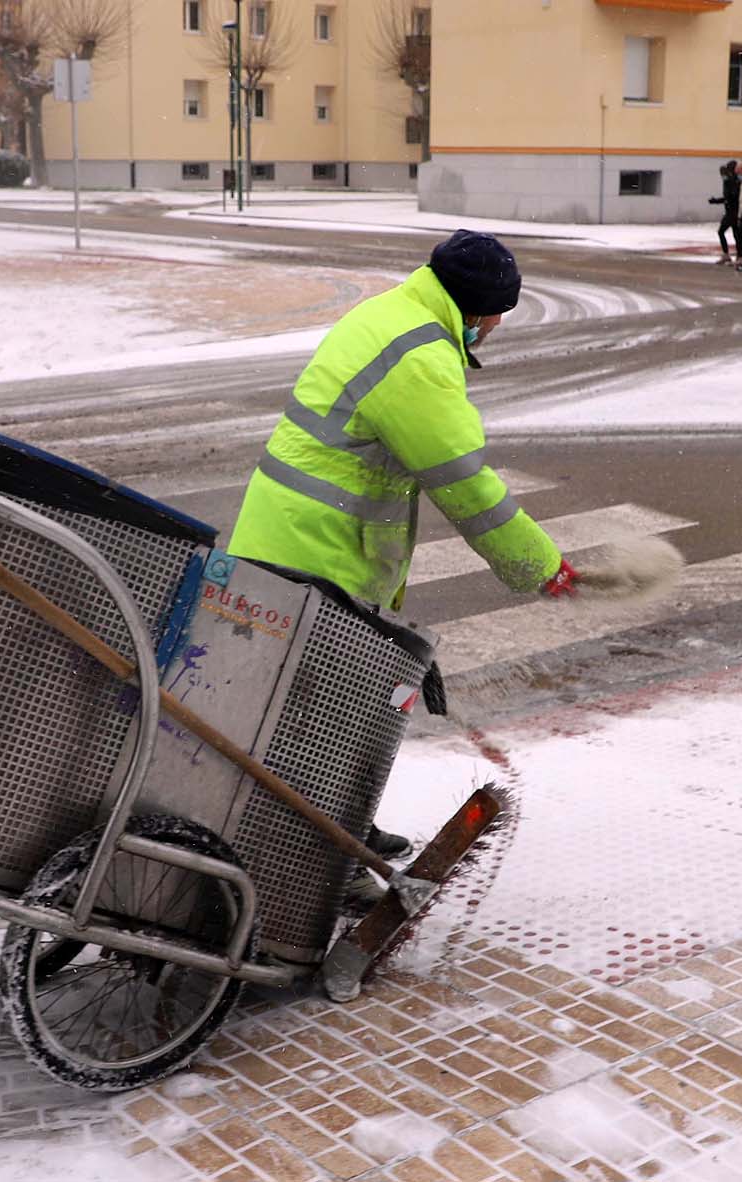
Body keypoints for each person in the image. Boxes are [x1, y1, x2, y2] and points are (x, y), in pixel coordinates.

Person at [226, 229, 577, 891]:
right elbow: (464, 483)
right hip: (316, 548)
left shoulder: (394, 312)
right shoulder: (419, 357)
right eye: (498, 313)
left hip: (299, 533)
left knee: (330, 703)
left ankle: (341, 825)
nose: (498, 326)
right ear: (476, 311)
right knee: (328, 706)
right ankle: (319, 858)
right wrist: (538, 566)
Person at [707, 160, 740, 266]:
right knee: (733, 234)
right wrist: (716, 201)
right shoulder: (729, 181)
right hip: (731, 211)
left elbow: (731, 197)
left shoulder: (734, 181)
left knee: (727, 232)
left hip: (734, 211)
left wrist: (717, 201)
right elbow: (728, 198)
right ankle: (733, 256)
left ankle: (735, 256)